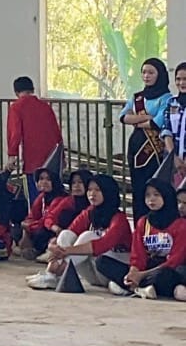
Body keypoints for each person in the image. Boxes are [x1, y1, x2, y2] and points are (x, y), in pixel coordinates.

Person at [27, 173, 132, 291]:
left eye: (97, 190)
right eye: (90, 190)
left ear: (107, 192)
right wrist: (52, 246)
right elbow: (71, 230)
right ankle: (52, 274)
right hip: (94, 274)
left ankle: (57, 272)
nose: (92, 194)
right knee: (66, 234)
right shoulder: (90, 212)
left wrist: (66, 251)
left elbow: (101, 245)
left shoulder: (119, 218)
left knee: (88, 235)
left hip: (111, 270)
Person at [113, 157, 186, 300]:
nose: (151, 199)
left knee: (168, 274)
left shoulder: (181, 224)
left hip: (166, 270)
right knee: (103, 262)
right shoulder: (143, 222)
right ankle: (137, 285)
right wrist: (134, 271)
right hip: (148, 268)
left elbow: (174, 261)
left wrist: (141, 276)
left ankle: (132, 287)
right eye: (148, 195)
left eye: (156, 195)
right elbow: (137, 255)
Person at [121, 58, 171, 222]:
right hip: (135, 148)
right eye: (144, 72)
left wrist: (137, 120)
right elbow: (123, 117)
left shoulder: (166, 98)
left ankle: (156, 226)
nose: (146, 76)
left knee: (155, 188)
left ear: (160, 75)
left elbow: (157, 122)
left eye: (151, 72)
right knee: (138, 188)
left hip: (154, 150)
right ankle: (139, 227)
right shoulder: (137, 98)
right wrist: (145, 119)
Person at [6, 76, 63, 202]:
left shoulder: (16, 107)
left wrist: (12, 155)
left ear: (16, 92)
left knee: (35, 197)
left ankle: (36, 219)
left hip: (32, 160)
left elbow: (15, 133)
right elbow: (56, 131)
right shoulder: (45, 106)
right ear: (33, 89)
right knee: (52, 196)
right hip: (51, 157)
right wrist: (61, 157)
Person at [19, 145, 66, 258]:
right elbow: (32, 216)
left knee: (41, 232)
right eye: (41, 179)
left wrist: (29, 226)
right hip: (40, 227)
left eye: (48, 179)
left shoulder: (61, 198)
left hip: (53, 231)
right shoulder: (42, 197)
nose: (43, 182)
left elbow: (46, 220)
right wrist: (27, 224)